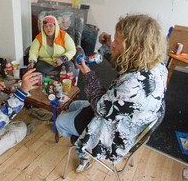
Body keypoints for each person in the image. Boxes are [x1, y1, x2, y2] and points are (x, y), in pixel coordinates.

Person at [56, 14, 168, 173]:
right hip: (126, 117)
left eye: (117, 41)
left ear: (135, 49)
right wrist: (110, 45)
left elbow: (101, 108)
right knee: (73, 104)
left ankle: (84, 151)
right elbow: (125, 65)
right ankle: (79, 139)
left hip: (115, 132)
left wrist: (87, 73)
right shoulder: (158, 66)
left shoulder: (133, 85)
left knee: (60, 121)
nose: (113, 43)